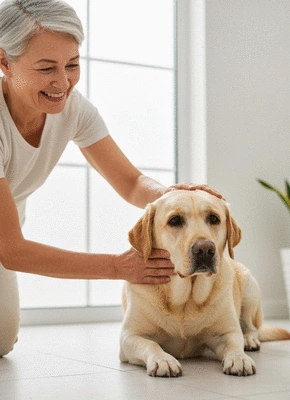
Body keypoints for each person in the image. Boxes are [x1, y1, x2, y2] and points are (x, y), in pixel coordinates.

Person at [0, 0, 222, 357]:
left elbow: (132, 183)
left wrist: (172, 196)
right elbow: (11, 250)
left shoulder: (72, 109)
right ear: (3, 62)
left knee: (0, 339)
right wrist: (117, 267)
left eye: (72, 65)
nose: (63, 82)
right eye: (46, 68)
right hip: (5, 245)